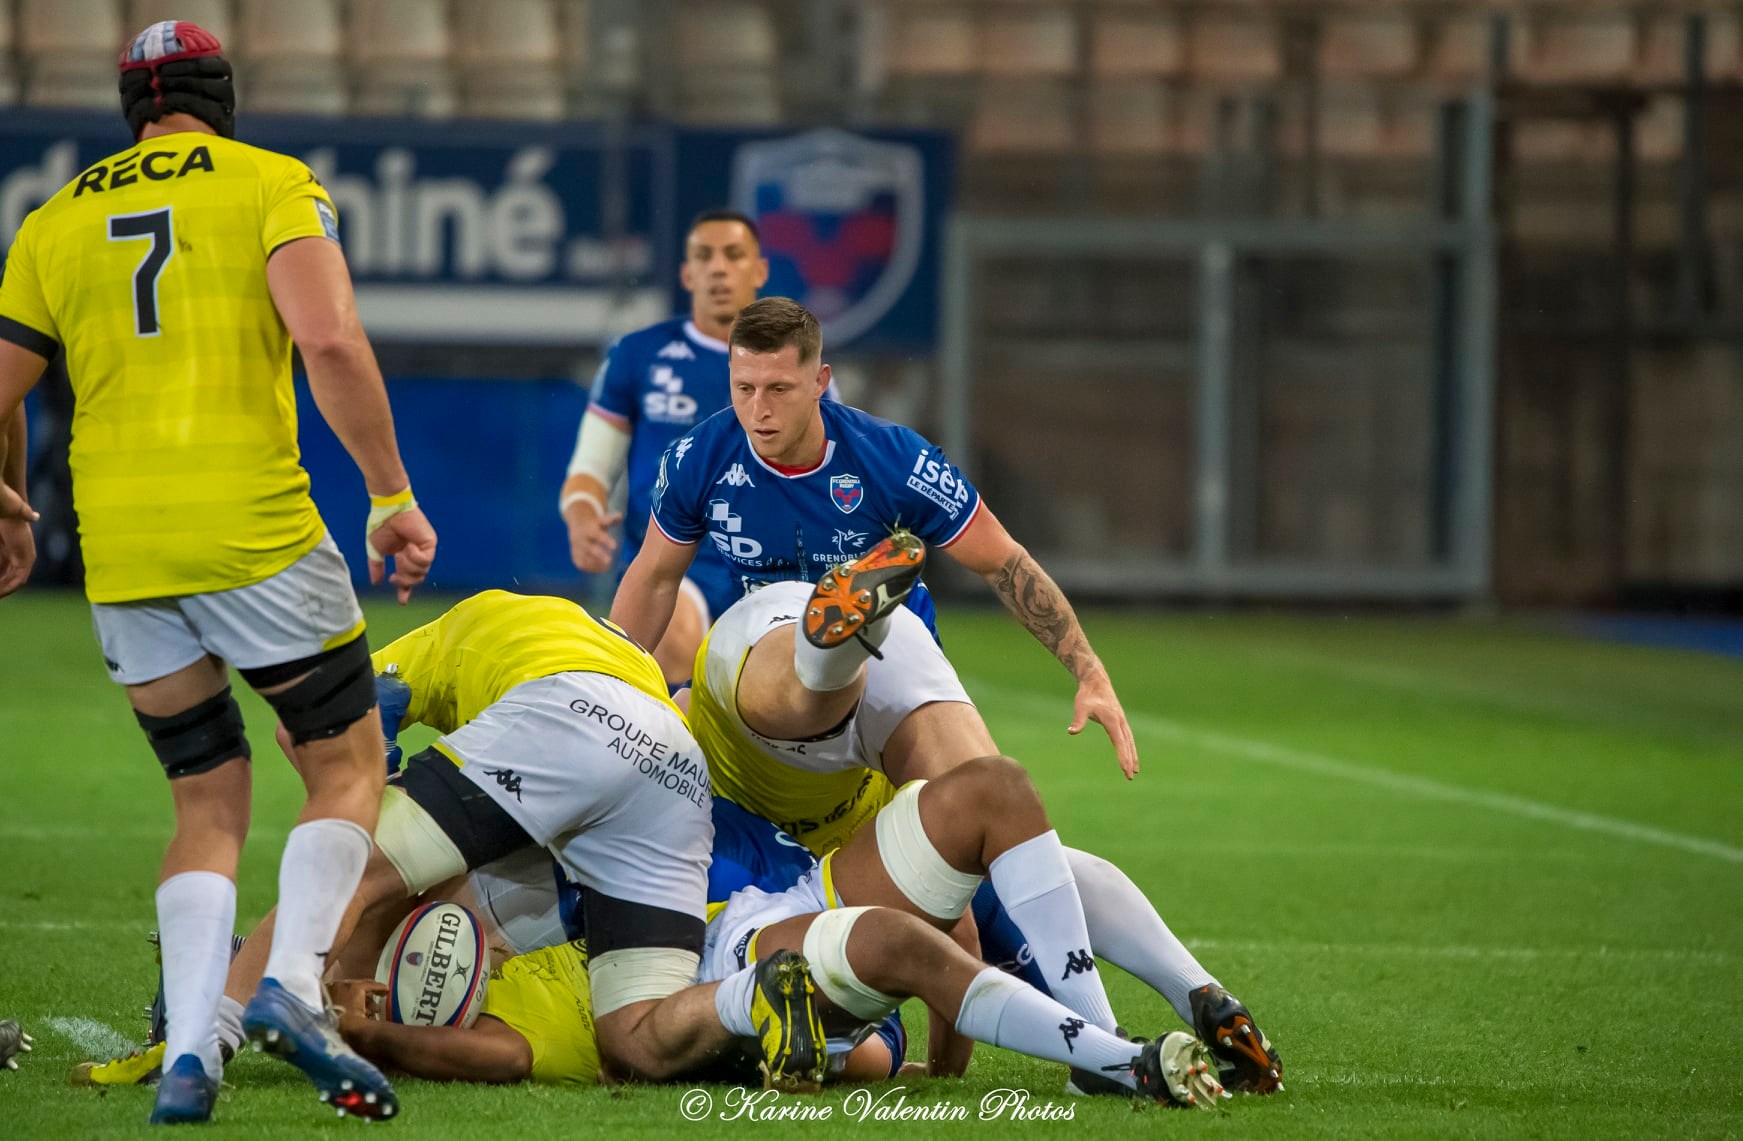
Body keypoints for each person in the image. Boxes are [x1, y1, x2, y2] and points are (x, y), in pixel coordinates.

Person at [0, 21, 436, 1125]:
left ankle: (190, 1056)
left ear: (132, 109)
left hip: (123, 548)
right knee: (348, 765)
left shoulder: (53, 220)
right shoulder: (268, 183)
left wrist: (7, 498)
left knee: (205, 796)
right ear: (221, 97)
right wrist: (390, 495)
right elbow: (330, 339)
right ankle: (291, 987)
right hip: (255, 533)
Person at [690, 561, 1283, 1095]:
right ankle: (1197, 990)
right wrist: (1087, 668)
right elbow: (997, 553)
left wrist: (941, 1069)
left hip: (761, 694)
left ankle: (1105, 1046)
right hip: (864, 675)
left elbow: (955, 945)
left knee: (794, 709)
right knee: (1005, 826)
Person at [214, 590, 832, 1092]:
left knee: (351, 865)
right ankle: (756, 994)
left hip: (571, 712)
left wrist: (377, 790)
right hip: (673, 763)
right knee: (636, 1039)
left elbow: (312, 732)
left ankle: (220, 1028)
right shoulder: (538, 628)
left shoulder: (437, 644)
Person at [609, 296, 1139, 782]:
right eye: (744, 388)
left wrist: (1090, 673)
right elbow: (656, 578)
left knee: (985, 803)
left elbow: (1002, 562)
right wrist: (608, 688)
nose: (759, 410)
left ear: (820, 381)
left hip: (895, 666)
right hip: (767, 655)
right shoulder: (695, 459)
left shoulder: (891, 459)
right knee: (660, 742)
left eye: (779, 389)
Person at [559, 209, 773, 685]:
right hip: (672, 564)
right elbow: (590, 468)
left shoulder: (794, 360)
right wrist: (581, 517)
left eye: (734, 255)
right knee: (675, 648)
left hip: (772, 564)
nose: (718, 268)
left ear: (760, 270)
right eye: (704, 256)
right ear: (687, 273)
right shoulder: (638, 354)